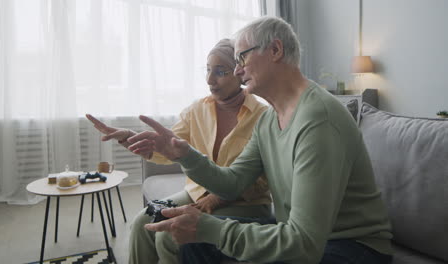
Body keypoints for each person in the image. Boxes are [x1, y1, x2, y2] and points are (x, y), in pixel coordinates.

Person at [125, 16, 393, 264]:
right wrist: (184, 155)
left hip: (353, 246)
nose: (238, 71)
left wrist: (211, 228)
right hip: (301, 236)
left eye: (242, 57)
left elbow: (304, 244)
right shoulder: (268, 120)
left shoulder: (318, 119)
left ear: (275, 50)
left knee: (204, 235)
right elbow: (232, 183)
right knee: (192, 244)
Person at [86, 38, 271, 263]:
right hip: (197, 193)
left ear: (240, 73)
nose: (210, 79)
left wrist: (217, 199)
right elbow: (170, 148)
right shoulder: (196, 110)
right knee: (142, 222)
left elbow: (265, 178)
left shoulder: (262, 115)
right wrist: (130, 139)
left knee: (169, 234)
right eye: (208, 70)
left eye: (220, 72)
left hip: (246, 203)